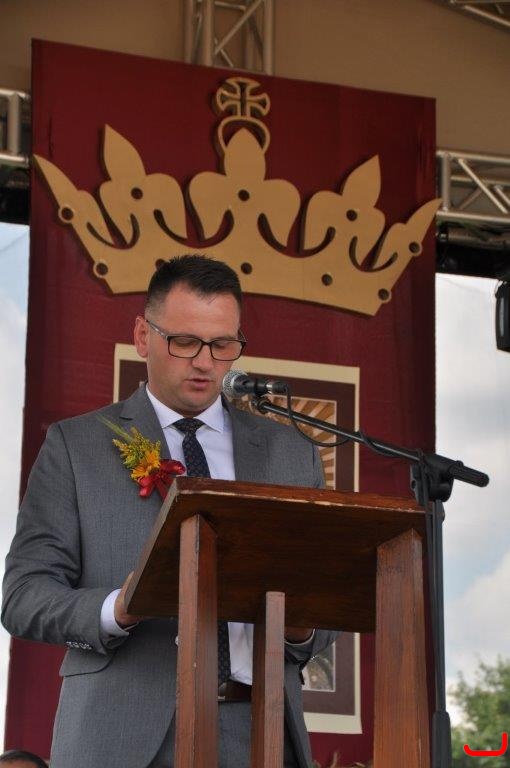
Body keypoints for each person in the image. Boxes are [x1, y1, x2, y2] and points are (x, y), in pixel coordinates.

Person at [2, 254, 338, 768]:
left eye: (222, 345)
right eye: (184, 342)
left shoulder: (291, 454)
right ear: (143, 336)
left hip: (261, 730)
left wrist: (302, 625)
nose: (204, 363)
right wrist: (118, 608)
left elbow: (329, 605)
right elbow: (23, 597)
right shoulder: (76, 446)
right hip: (122, 734)